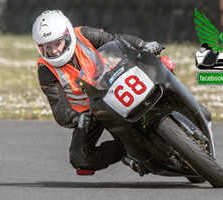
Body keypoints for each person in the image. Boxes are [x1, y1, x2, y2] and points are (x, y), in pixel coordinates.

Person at [32, 10, 165, 175]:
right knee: (80, 159)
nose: (54, 51)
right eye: (46, 47)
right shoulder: (45, 69)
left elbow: (116, 40)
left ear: (67, 36)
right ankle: (128, 150)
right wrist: (77, 118)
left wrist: (142, 45)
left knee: (159, 69)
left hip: (114, 85)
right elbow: (58, 107)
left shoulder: (83, 34)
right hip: (91, 112)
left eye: (57, 44)